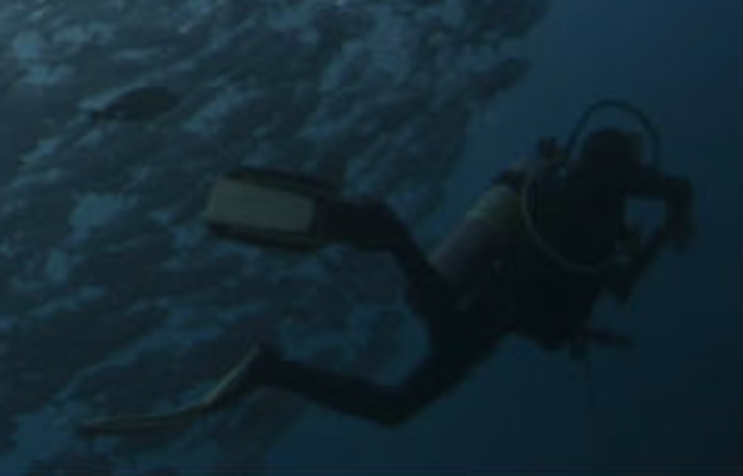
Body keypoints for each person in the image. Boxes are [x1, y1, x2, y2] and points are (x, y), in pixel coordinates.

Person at [84, 101, 695, 434]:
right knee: (403, 391)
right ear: (619, 156)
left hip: (499, 308)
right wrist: (677, 222)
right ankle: (391, 237)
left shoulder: (594, 211)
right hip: (500, 303)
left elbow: (606, 285)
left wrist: (646, 249)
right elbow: (675, 189)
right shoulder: (607, 180)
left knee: (395, 406)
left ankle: (276, 370)